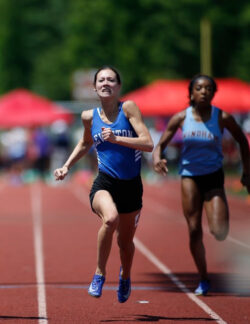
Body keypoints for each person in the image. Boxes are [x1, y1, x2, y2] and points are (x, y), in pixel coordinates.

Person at [54, 66, 153, 303]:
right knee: (110, 219)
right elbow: (85, 143)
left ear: (119, 87)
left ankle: (126, 276)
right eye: (101, 80)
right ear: (95, 87)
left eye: (111, 80)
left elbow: (148, 143)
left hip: (131, 185)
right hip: (105, 182)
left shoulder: (128, 109)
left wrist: (117, 138)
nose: (106, 83)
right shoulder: (89, 116)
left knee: (125, 243)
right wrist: (67, 166)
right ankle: (99, 273)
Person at [152, 74, 250, 296]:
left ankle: (216, 229)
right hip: (190, 177)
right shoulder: (180, 118)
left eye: (208, 88)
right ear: (191, 93)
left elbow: (242, 141)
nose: (204, 91)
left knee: (219, 231)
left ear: (214, 93)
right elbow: (161, 144)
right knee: (194, 229)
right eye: (199, 88)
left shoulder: (222, 117)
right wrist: (157, 158)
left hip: (214, 176)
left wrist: (247, 171)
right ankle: (204, 278)